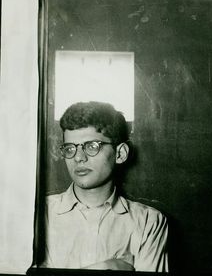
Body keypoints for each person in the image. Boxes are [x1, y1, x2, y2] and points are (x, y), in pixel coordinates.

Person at [42, 101, 168, 272]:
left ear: (120, 153)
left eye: (92, 146)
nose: (78, 157)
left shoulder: (148, 222)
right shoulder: (39, 214)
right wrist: (109, 267)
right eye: (70, 148)